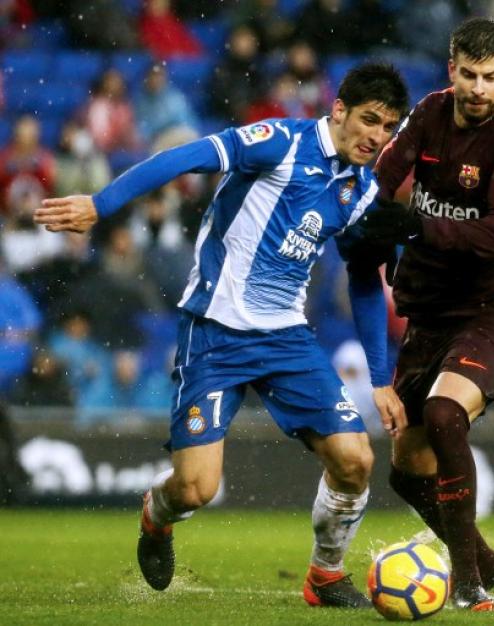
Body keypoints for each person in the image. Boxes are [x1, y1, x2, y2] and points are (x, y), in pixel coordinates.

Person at [33, 64, 410, 608]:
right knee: (195, 490)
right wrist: (100, 204)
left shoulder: (361, 189)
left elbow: (365, 280)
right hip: (215, 331)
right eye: (369, 120)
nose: (376, 137)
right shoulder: (280, 142)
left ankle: (325, 577)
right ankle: (156, 515)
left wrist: (380, 378)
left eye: (389, 128)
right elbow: (183, 156)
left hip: (286, 338)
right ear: (339, 111)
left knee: (355, 460)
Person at [356, 17, 494, 611]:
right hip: (427, 314)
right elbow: (381, 179)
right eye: (469, 74)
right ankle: (487, 559)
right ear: (451, 69)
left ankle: (468, 581)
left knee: (442, 413)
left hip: (487, 313)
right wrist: (364, 221)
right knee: (406, 472)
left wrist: (413, 224)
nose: (479, 88)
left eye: (491, 77)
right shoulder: (429, 113)